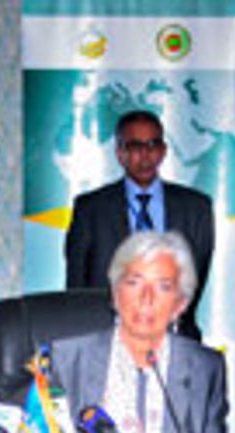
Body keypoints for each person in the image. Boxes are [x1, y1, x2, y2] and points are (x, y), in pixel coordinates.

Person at [51, 232, 228, 433]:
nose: (146, 298)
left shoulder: (205, 368)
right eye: (134, 282)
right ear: (115, 293)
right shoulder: (67, 361)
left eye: (163, 286)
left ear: (181, 304)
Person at [64, 110, 214, 340]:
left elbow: (196, 279)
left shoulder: (196, 208)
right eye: (135, 146)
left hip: (175, 337)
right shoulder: (90, 209)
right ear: (120, 153)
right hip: (106, 339)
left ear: (163, 151)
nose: (145, 154)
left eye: (153, 144)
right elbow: (76, 288)